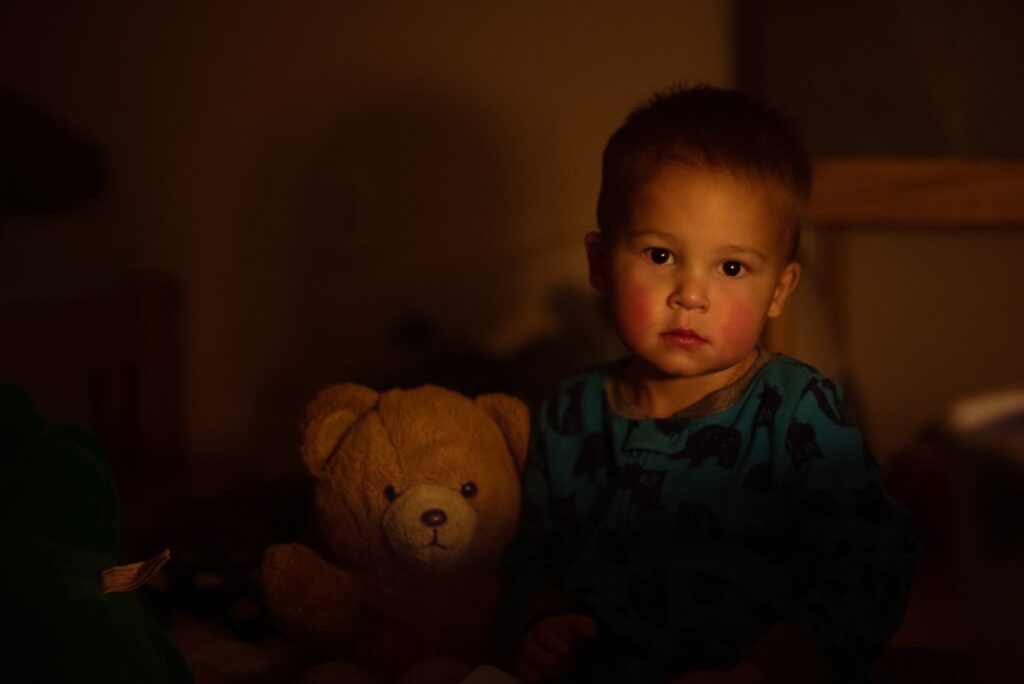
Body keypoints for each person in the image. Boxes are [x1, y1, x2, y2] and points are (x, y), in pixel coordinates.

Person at [498, 85, 919, 684]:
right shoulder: (571, 411)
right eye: (660, 256)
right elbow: (534, 552)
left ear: (779, 290)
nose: (691, 294)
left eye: (731, 267)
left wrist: (764, 671)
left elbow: (872, 564)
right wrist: (540, 620)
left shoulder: (798, 412)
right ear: (600, 263)